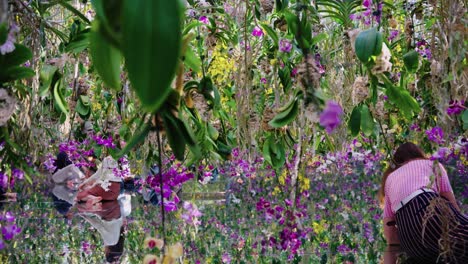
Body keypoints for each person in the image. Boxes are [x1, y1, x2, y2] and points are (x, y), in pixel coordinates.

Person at [380, 142, 468, 263]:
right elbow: (452, 204)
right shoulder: (432, 164)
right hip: (427, 211)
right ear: (419, 153)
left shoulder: (390, 179)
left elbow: (390, 235)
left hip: (409, 240)